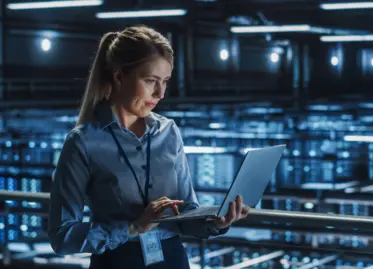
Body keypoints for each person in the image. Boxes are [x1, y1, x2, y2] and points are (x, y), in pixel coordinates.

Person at [48, 25, 250, 269]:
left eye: (165, 81)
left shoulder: (169, 132)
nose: (160, 93)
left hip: (172, 259)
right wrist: (133, 228)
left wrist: (217, 223)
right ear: (119, 76)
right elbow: (62, 237)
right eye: (150, 81)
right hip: (119, 261)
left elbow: (186, 212)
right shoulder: (82, 142)